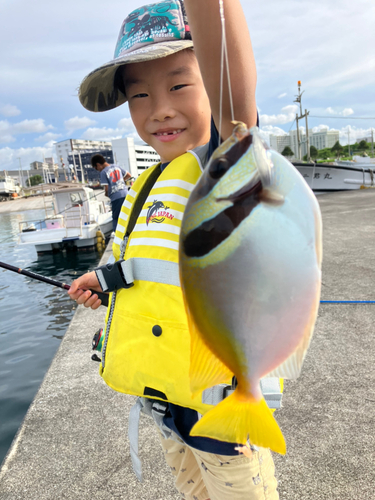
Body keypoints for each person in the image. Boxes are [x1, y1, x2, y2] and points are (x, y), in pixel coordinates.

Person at [69, 1, 280, 498]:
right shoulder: (144, 186)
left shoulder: (226, 167)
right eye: (138, 94)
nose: (158, 107)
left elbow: (231, 84)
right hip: (164, 404)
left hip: (222, 416)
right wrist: (105, 283)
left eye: (179, 84)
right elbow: (148, 266)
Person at [91, 154, 131, 231]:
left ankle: (117, 235)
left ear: (98, 164)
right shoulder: (116, 167)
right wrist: (120, 181)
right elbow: (129, 175)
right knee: (126, 214)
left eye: (96, 168)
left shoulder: (103, 172)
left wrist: (106, 194)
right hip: (126, 194)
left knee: (116, 218)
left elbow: (106, 188)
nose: (97, 170)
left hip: (116, 198)